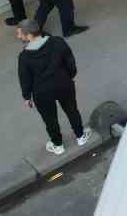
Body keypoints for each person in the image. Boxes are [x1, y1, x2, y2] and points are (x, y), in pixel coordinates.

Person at [16, 19, 93, 156]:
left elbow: (25, 79)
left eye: (20, 34)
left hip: (42, 93)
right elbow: (70, 63)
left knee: (50, 119)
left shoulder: (24, 57)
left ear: (29, 35)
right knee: (72, 110)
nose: (18, 36)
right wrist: (69, 77)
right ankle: (80, 136)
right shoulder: (57, 42)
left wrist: (27, 97)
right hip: (63, 84)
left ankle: (58, 145)